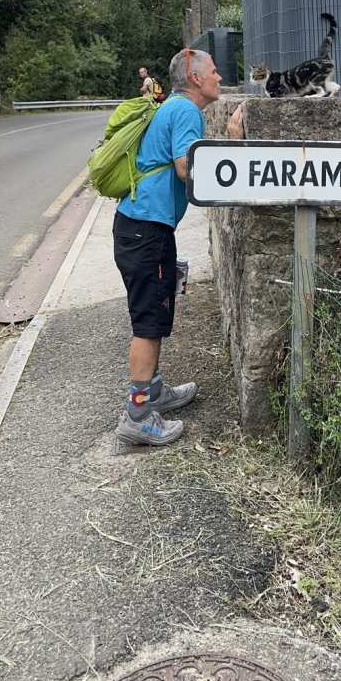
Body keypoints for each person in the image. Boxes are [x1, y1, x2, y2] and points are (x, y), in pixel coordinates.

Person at [114, 48, 241, 446]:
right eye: (216, 72)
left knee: (156, 313)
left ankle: (153, 394)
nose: (221, 78)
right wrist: (232, 145)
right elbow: (188, 166)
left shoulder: (173, 108)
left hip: (144, 227)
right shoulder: (186, 111)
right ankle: (137, 415)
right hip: (145, 230)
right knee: (148, 323)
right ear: (196, 77)